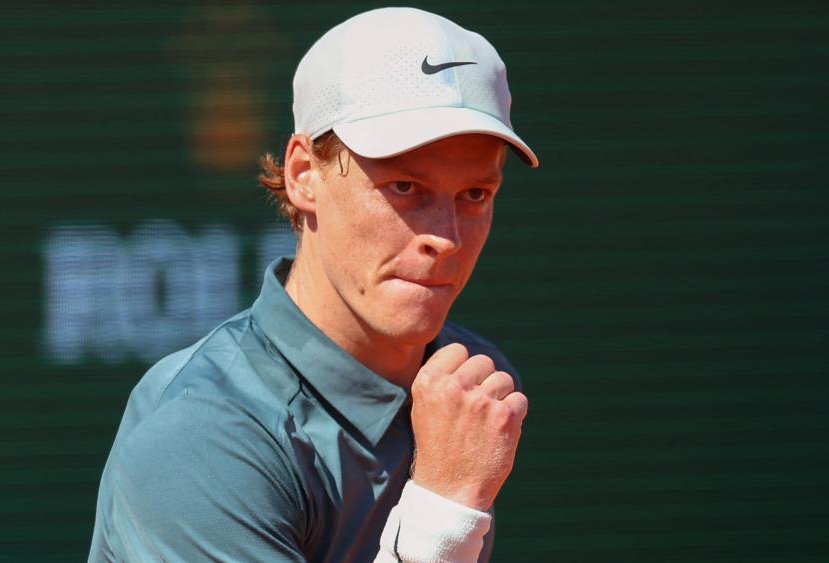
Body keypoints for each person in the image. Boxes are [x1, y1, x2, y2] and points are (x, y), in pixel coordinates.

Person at [88, 7, 539, 562]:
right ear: (304, 174)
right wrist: (443, 513)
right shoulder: (199, 437)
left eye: (474, 195)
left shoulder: (465, 388)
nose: (444, 237)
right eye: (403, 185)